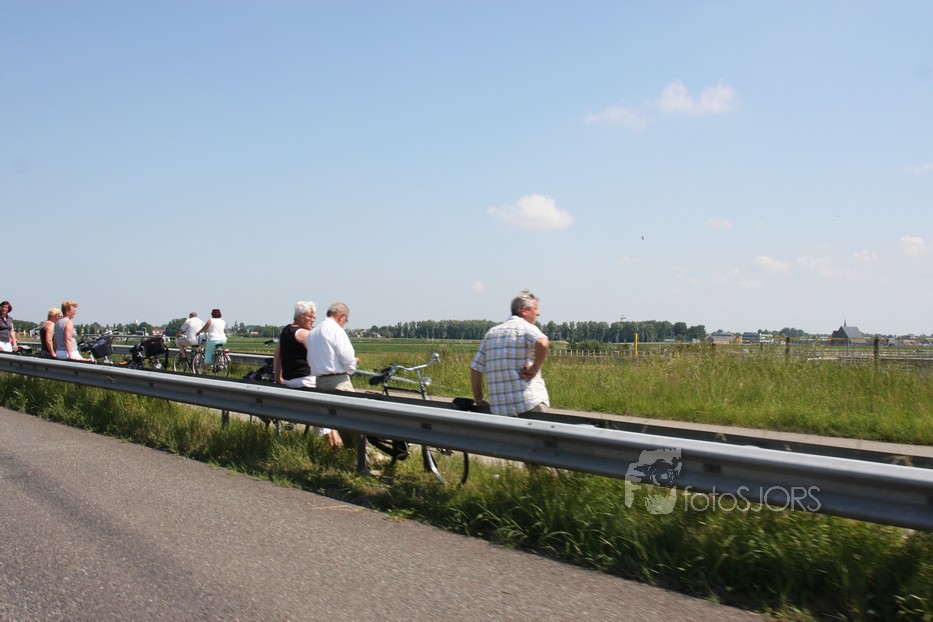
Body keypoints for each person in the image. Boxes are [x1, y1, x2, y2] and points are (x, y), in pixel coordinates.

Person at [470, 289, 550, 417]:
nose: (538, 313)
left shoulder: (491, 333)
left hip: (501, 410)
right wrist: (535, 368)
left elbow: (475, 368)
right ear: (524, 310)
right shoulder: (527, 328)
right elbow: (543, 343)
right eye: (535, 309)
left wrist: (479, 399)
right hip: (530, 403)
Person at [274, 301, 341, 448]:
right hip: (305, 382)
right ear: (299, 316)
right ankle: (335, 444)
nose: (312, 320)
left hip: (290, 382)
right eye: (309, 317)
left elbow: (277, 355)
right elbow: (320, 353)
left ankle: (335, 443)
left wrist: (278, 377)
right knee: (327, 407)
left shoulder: (285, 331)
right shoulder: (304, 334)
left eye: (313, 317)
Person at [306, 302, 358, 392]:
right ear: (342, 316)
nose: (345, 322)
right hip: (337, 381)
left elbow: (310, 359)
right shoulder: (336, 330)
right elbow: (347, 357)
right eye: (346, 319)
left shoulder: (313, 332)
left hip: (319, 382)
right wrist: (354, 362)